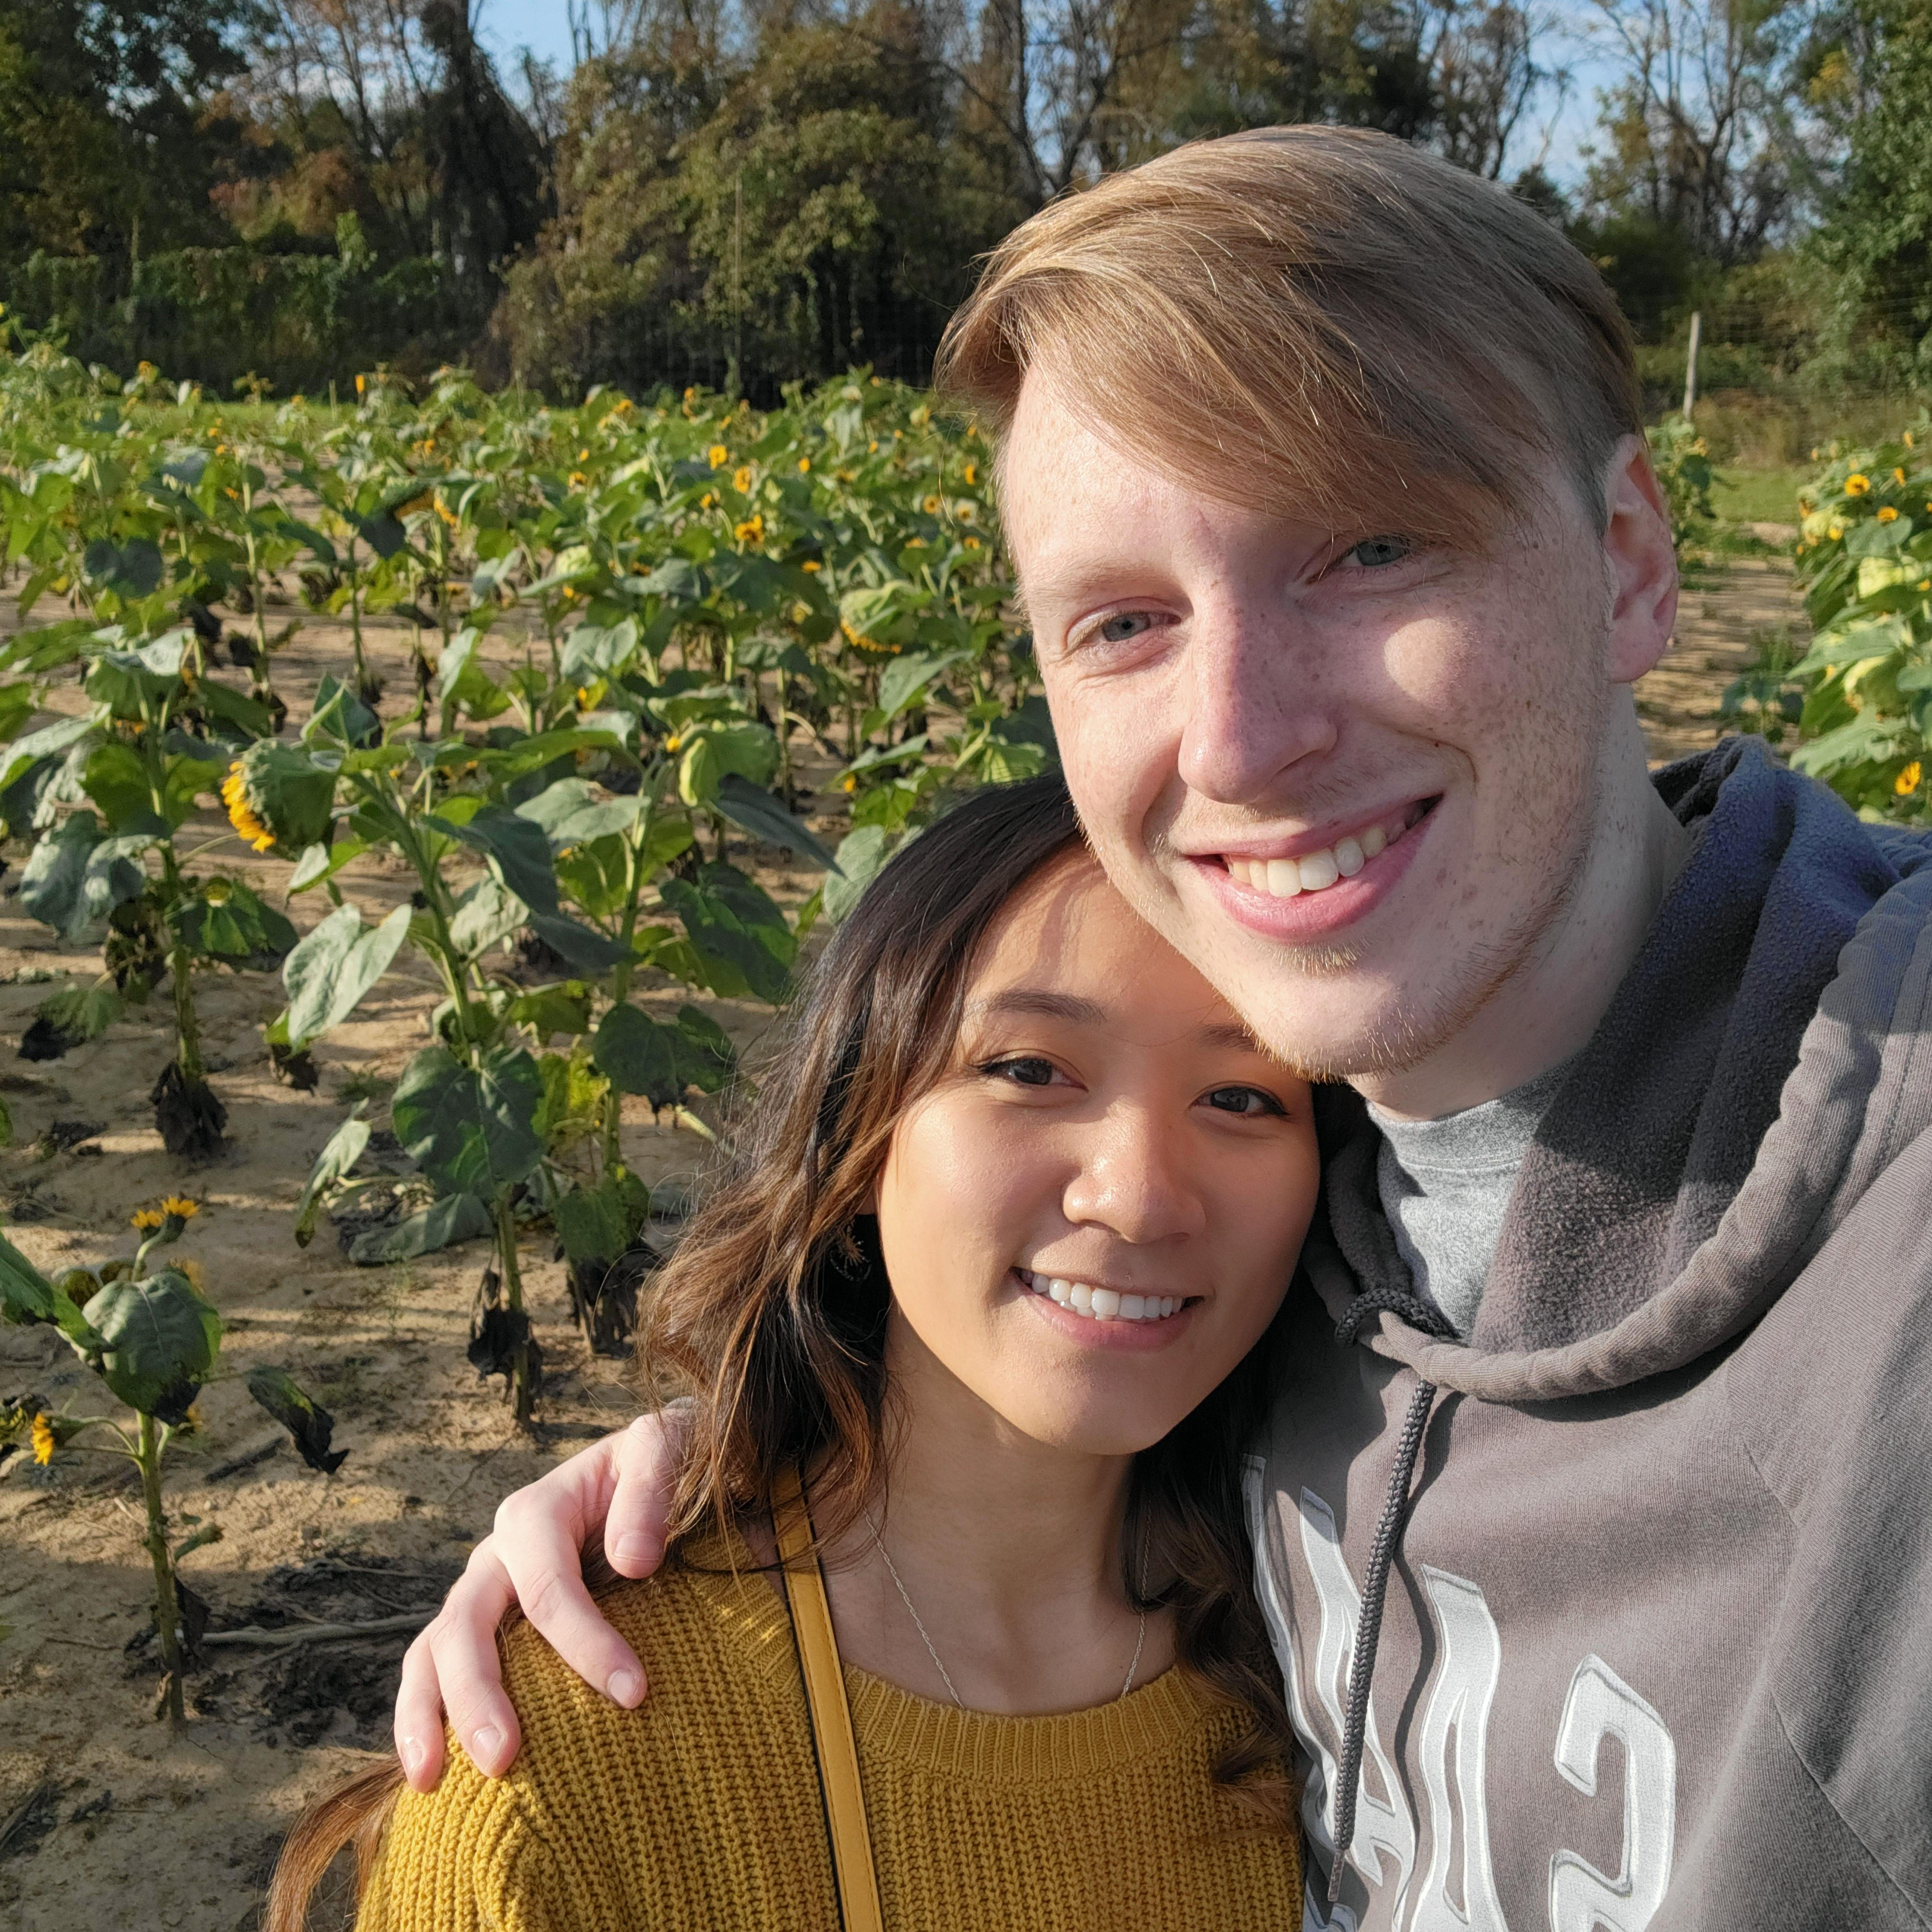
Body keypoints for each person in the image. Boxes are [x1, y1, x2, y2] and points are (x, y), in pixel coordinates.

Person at [392, 127, 1932, 1930]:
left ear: (1628, 564)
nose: (1235, 737)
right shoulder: (1288, 1196)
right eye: (1123, 621)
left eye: (1368, 548)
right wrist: (738, 1460)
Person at [271, 774, 1315, 1931]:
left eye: (1242, 1094)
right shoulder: (564, 1762)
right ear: (859, 1132)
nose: (1139, 1196)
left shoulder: (1364, 1673)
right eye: (1028, 1069)